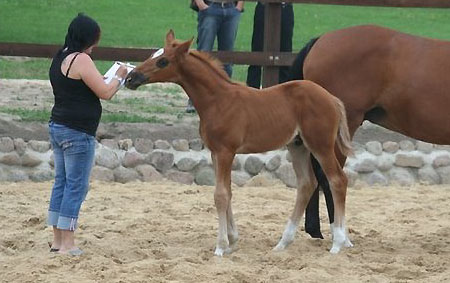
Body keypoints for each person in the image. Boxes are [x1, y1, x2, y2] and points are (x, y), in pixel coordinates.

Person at [47, 13, 128, 256]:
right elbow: (104, 92)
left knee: (61, 183)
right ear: (87, 38)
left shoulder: (61, 56)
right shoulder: (81, 59)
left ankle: (57, 241)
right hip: (77, 132)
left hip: (58, 126)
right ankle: (69, 244)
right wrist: (120, 78)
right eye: (95, 40)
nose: (95, 46)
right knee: (76, 187)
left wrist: (106, 79)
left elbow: (87, 84)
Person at [186, 0, 244, 113]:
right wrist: (201, 4)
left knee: (227, 57)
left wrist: (239, 6)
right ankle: (196, 98)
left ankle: (226, 98)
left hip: (231, 8)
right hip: (210, 7)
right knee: (203, 55)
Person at [246, 1, 294, 88]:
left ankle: (284, 91)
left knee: (285, 51)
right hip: (264, 6)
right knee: (257, 52)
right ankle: (252, 90)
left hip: (285, 7)